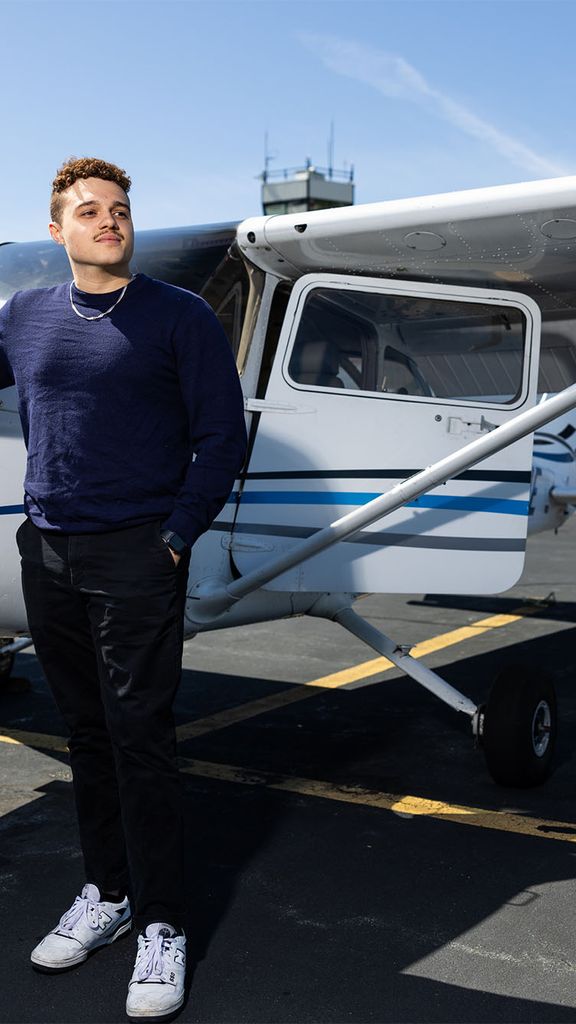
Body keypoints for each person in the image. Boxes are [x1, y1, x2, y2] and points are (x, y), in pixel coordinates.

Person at [0, 157, 247, 1020]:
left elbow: (221, 436)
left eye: (120, 210)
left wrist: (175, 537)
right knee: (84, 733)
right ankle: (107, 894)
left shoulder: (179, 317)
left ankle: (164, 923)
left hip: (138, 555)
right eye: (90, 211)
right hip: (50, 553)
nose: (110, 221)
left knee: (140, 734)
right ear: (58, 231)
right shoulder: (25, 315)